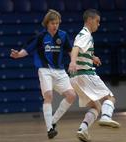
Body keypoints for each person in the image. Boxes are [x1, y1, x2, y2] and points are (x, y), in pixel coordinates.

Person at [10, 9, 76, 139]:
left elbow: (71, 50)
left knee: (71, 96)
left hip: (60, 71)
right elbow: (27, 50)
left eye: (57, 23)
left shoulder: (63, 36)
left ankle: (53, 121)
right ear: (47, 24)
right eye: (52, 23)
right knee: (48, 96)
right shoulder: (40, 37)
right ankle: (49, 129)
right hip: (45, 70)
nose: (55, 26)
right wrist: (18, 55)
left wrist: (73, 62)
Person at [68, 9, 120, 142]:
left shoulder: (82, 34)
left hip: (75, 79)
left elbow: (80, 51)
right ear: (90, 20)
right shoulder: (86, 34)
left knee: (95, 107)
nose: (98, 24)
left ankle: (82, 130)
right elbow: (75, 49)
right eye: (97, 21)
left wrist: (92, 57)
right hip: (85, 74)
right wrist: (73, 62)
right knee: (110, 98)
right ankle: (106, 118)